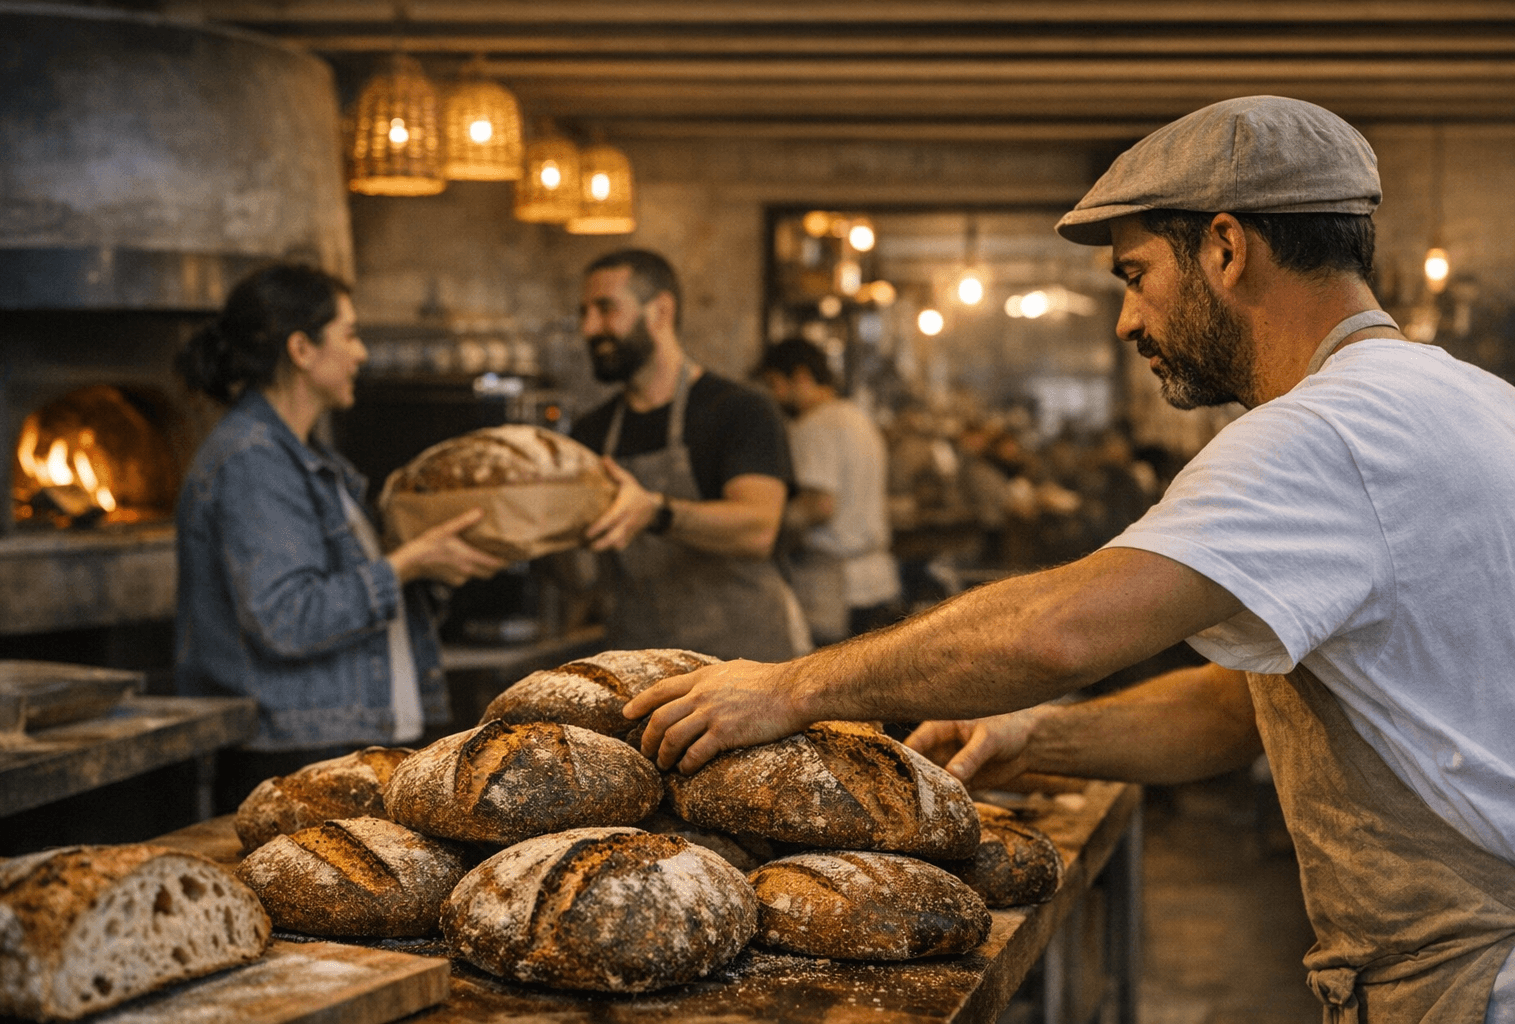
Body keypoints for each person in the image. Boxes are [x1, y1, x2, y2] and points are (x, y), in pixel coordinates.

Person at [627, 97, 1515, 1023]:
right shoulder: (1472, 401)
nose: (1128, 322)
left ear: (1225, 247)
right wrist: (1037, 738)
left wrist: (790, 688)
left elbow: (1058, 632)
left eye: (1137, 275)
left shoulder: (1324, 431)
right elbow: (1254, 709)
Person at [174, 263, 503, 811]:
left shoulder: (310, 458)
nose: (362, 354)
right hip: (295, 754)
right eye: (350, 334)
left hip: (336, 744)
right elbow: (286, 617)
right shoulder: (253, 460)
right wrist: (407, 566)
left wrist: (433, 570)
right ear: (301, 349)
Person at [569, 249, 811, 662]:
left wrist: (655, 512)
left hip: (747, 664)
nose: (590, 328)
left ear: (660, 311)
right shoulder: (590, 431)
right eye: (585, 313)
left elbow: (758, 530)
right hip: (638, 662)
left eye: (606, 309)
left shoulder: (740, 409)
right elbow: (582, 576)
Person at [758, 338, 903, 645]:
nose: (773, 396)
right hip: (877, 579)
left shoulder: (815, 425)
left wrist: (765, 520)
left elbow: (819, 506)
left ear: (800, 377)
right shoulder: (858, 418)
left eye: (774, 384)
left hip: (835, 586)